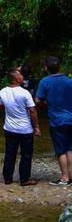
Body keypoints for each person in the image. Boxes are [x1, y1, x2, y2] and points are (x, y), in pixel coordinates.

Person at [0, 68, 40, 186]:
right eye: (20, 75)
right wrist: (36, 127)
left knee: (10, 153)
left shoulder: (3, 91)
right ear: (16, 79)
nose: (22, 76)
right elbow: (33, 111)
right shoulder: (25, 93)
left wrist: (9, 106)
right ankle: (24, 179)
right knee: (26, 154)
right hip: (25, 129)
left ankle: (7, 178)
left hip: (9, 128)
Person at [36, 55, 72, 186]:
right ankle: (71, 176)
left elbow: (38, 100)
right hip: (70, 118)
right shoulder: (69, 80)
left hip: (57, 120)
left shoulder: (45, 82)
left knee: (60, 150)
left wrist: (46, 105)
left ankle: (64, 178)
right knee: (70, 148)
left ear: (46, 68)